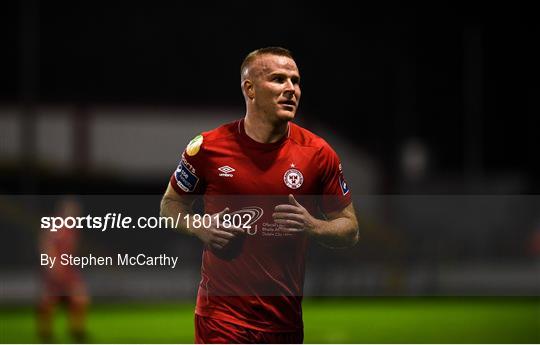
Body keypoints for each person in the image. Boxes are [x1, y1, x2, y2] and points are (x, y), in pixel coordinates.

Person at [160, 47, 359, 343]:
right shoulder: (207, 148)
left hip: (284, 324)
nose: (291, 89)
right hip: (221, 319)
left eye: (296, 81)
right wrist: (199, 226)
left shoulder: (318, 154)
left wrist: (313, 225)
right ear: (250, 89)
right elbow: (170, 205)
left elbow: (350, 228)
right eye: (279, 79)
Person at [37, 197, 89, 343]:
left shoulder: (71, 229)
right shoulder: (56, 226)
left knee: (80, 298)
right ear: (64, 211)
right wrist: (53, 266)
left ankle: (76, 331)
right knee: (49, 301)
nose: (75, 214)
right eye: (73, 211)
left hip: (68, 270)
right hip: (57, 270)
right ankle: (45, 332)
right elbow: (47, 246)